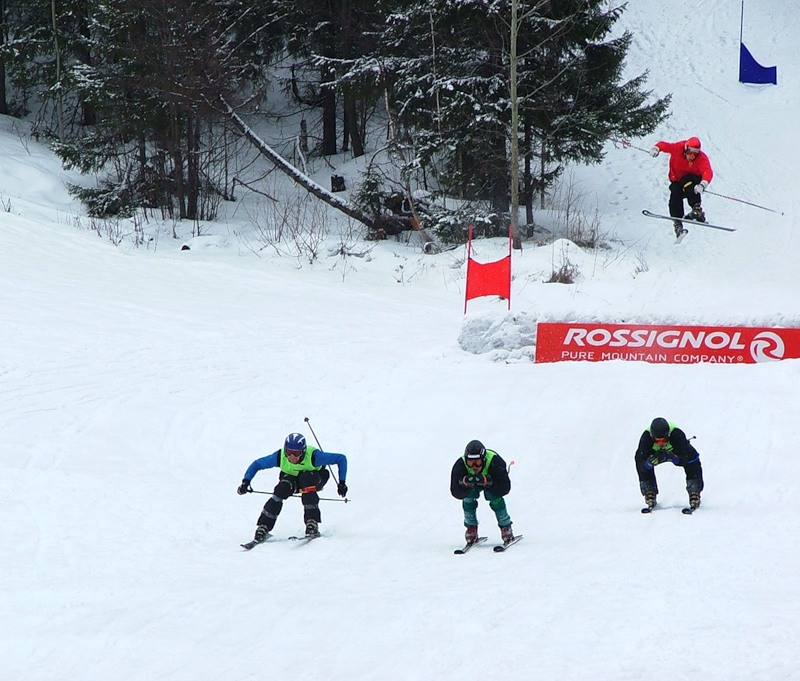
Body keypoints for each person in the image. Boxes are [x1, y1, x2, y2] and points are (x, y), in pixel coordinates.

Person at [237, 432, 348, 541]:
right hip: (293, 480)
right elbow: (257, 464)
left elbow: (341, 458)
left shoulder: (314, 457)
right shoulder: (280, 457)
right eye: (289, 452)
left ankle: (312, 522)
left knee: (306, 479)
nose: (292, 457)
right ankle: (264, 526)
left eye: (296, 453)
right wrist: (246, 482)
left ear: (303, 451)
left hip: (315, 479)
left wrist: (341, 483)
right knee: (280, 490)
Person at [450, 439, 514, 544]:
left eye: (477, 462)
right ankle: (471, 527)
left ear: (483, 459)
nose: (474, 467)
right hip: (471, 486)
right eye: (470, 462)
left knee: (495, 498)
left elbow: (505, 487)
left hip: (492, 482)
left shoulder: (495, 461)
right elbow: (455, 491)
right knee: (468, 499)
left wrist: (489, 482)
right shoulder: (460, 465)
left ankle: (506, 526)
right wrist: (464, 484)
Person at [649, 136, 713, 238]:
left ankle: (697, 209)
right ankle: (677, 223)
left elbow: (707, 171)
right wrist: (656, 148)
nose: (692, 156)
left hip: (691, 182)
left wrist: (703, 184)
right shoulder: (678, 148)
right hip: (677, 182)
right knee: (675, 193)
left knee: (688, 181)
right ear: (685, 149)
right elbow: (664, 145)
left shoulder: (701, 158)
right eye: (689, 152)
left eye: (695, 153)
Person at [635, 417, 704, 511]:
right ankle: (649, 491)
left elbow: (685, 457)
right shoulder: (646, 438)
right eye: (657, 441)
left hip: (675, 452)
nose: (661, 444)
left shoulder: (677, 434)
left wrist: (674, 458)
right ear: (652, 436)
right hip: (653, 454)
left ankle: (694, 492)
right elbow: (640, 461)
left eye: (664, 440)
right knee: (639, 458)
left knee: (692, 459)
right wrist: (648, 464)